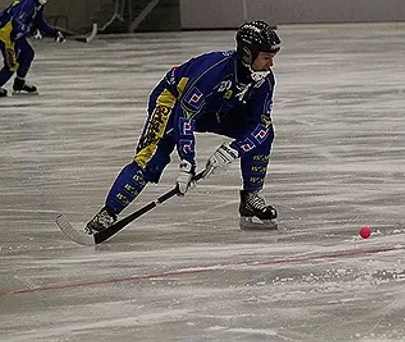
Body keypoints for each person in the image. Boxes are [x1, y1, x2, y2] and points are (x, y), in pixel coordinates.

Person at [85, 20, 282, 234]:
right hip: (173, 101)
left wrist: (234, 149)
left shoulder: (264, 80)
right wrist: (187, 163)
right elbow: (185, 116)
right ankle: (108, 212)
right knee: (151, 157)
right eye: (266, 58)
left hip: (215, 110)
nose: (270, 65)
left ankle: (250, 197)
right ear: (247, 54)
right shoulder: (213, 72)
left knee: (265, 136)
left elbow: (261, 124)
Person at [0, 0, 65, 97]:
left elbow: (39, 22)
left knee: (28, 53)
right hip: (6, 33)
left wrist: (54, 32)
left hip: (15, 32)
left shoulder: (38, 5)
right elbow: (17, 23)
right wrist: (31, 30)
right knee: (12, 64)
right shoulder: (28, 4)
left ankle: (20, 82)